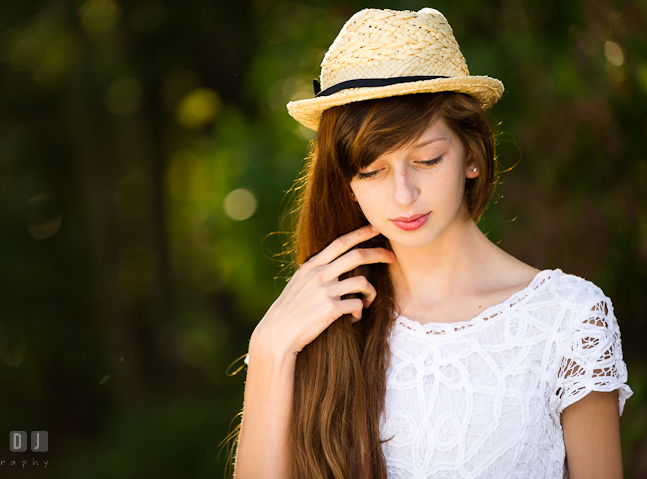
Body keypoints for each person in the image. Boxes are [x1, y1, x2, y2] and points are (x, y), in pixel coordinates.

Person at [233, 7, 632, 479]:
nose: (403, 195)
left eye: (426, 159)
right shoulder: (320, 322)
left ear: (472, 155)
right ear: (347, 183)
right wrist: (269, 350)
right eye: (372, 171)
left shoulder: (569, 320)